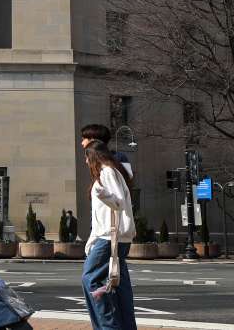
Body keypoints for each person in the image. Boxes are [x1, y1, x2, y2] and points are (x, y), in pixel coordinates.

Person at [82, 140, 137, 330]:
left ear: (94, 157)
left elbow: (118, 202)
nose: (86, 162)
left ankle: (108, 326)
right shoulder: (112, 171)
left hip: (110, 238)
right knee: (119, 286)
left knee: (91, 278)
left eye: (87, 157)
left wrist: (101, 194)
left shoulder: (107, 172)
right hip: (116, 236)